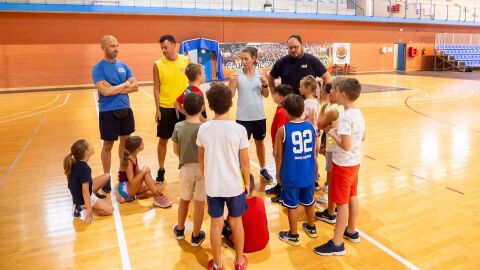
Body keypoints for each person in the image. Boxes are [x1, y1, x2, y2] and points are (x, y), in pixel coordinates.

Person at [197, 83, 250, 270]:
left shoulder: (203, 129)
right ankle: (238, 261)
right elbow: (244, 162)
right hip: (234, 185)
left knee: (216, 224)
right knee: (236, 222)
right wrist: (247, 183)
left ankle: (218, 264)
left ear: (209, 106)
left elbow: (201, 159)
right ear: (231, 104)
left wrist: (206, 178)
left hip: (214, 185)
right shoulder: (239, 129)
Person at [314, 78, 365, 256]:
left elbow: (346, 145)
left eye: (335, 91)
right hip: (354, 162)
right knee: (352, 196)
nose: (333, 93)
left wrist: (332, 133)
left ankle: (337, 244)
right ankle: (351, 231)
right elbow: (363, 137)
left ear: (343, 95)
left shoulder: (345, 116)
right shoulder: (358, 113)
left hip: (343, 164)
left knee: (341, 203)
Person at [92, 35, 138, 195]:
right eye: (112, 46)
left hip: (125, 109)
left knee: (125, 145)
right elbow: (105, 91)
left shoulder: (124, 66)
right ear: (103, 47)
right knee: (108, 145)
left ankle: (122, 173)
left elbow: (135, 86)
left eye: (117, 45)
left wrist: (116, 88)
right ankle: (106, 177)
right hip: (107, 112)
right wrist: (124, 84)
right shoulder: (98, 68)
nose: (116, 49)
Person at [275, 94, 317, 246]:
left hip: (291, 175)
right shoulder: (311, 126)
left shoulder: (283, 130)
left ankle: (293, 235)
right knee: (309, 201)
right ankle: (312, 227)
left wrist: (278, 174)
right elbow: (314, 152)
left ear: (286, 111)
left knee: (291, 205)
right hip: (309, 173)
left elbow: (278, 156)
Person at [229, 47, 273, 182]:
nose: (243, 61)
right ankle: (241, 170)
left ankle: (263, 168)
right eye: (241, 59)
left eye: (246, 59)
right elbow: (230, 95)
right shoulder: (237, 75)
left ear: (254, 58)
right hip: (243, 118)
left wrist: (265, 85)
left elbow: (266, 95)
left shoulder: (261, 74)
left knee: (260, 143)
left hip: (259, 116)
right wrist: (231, 83)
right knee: (241, 146)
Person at [153, 34, 190, 183]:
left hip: (183, 107)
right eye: (161, 48)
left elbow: (192, 82)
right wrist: (157, 109)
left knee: (185, 140)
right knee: (163, 140)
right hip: (166, 107)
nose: (163, 50)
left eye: (166, 47)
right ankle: (161, 169)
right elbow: (156, 87)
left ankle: (185, 167)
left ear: (174, 45)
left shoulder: (186, 60)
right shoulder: (157, 64)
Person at [172, 93, 207, 247]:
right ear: (202, 108)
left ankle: (180, 230)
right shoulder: (205, 128)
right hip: (203, 169)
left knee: (184, 200)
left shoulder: (178, 126)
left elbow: (175, 150)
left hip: (185, 168)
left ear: (183, 108)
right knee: (199, 203)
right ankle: (196, 235)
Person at [315, 80, 344, 225]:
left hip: (334, 148)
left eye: (331, 90)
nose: (329, 92)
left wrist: (321, 110)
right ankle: (339, 207)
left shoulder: (331, 108)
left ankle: (331, 213)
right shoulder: (345, 108)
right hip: (343, 148)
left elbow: (319, 124)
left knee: (332, 181)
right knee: (338, 180)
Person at [64, 139, 113, 223]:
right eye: (89, 144)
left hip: (79, 193)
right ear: (86, 151)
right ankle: (81, 206)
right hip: (83, 198)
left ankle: (84, 203)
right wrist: (89, 211)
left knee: (107, 176)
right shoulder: (84, 169)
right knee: (110, 210)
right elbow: (85, 191)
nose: (91, 145)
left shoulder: (75, 163)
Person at [116, 136, 172, 208]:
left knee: (159, 188)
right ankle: (158, 198)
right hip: (125, 189)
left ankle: (133, 197)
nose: (143, 144)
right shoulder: (129, 161)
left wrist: (152, 181)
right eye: (142, 143)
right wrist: (144, 171)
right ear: (137, 148)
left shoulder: (134, 156)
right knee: (146, 171)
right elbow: (132, 181)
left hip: (130, 187)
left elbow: (138, 173)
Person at [268, 35, 332, 96]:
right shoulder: (281, 62)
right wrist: (274, 95)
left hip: (307, 104)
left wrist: (324, 97)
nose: (293, 50)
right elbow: (270, 78)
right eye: (290, 48)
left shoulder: (312, 60)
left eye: (295, 47)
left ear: (302, 45)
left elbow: (327, 77)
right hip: (287, 104)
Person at [265, 84, 293, 202]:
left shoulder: (281, 112)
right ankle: (279, 186)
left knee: (281, 168)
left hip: (281, 147)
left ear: (281, 97)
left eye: (275, 94)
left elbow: (281, 133)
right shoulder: (281, 110)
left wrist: (277, 148)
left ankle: (283, 191)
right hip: (280, 146)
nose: (273, 95)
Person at [299, 75, 322, 190]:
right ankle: (315, 180)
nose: (299, 88)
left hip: (308, 136)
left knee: (309, 159)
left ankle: (312, 181)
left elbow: (301, 119)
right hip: (316, 134)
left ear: (308, 88)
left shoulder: (305, 104)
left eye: (301, 86)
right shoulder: (317, 102)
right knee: (314, 157)